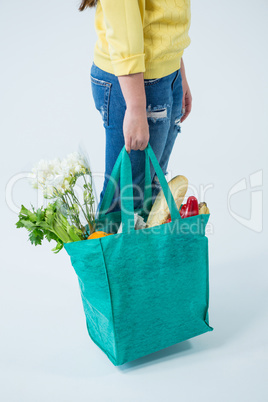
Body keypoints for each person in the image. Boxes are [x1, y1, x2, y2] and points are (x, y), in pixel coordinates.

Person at [79, 0, 192, 216]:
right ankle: (111, 250)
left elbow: (160, 16)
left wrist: (178, 71)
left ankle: (142, 250)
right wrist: (136, 106)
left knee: (151, 192)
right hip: (135, 83)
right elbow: (124, 35)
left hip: (164, 75)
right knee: (126, 198)